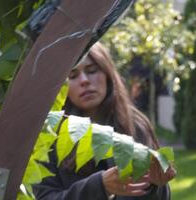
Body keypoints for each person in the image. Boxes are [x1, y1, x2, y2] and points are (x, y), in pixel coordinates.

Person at [33, 43, 176, 200]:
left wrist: (158, 184)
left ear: (108, 73)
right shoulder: (49, 134)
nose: (84, 81)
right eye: (72, 75)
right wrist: (100, 186)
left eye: (92, 70)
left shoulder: (135, 124)